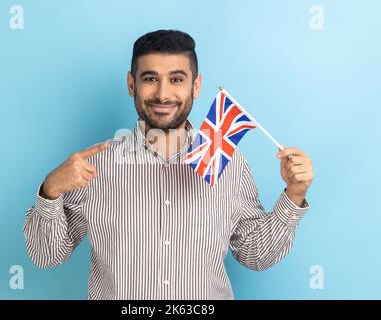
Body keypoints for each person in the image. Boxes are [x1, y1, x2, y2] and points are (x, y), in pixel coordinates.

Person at [24, 29, 314, 300]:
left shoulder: (227, 162)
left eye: (176, 79)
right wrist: (49, 192)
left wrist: (294, 195)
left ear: (195, 86)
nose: (163, 94)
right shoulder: (93, 166)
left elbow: (256, 254)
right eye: (150, 79)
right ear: (131, 84)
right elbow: (47, 256)